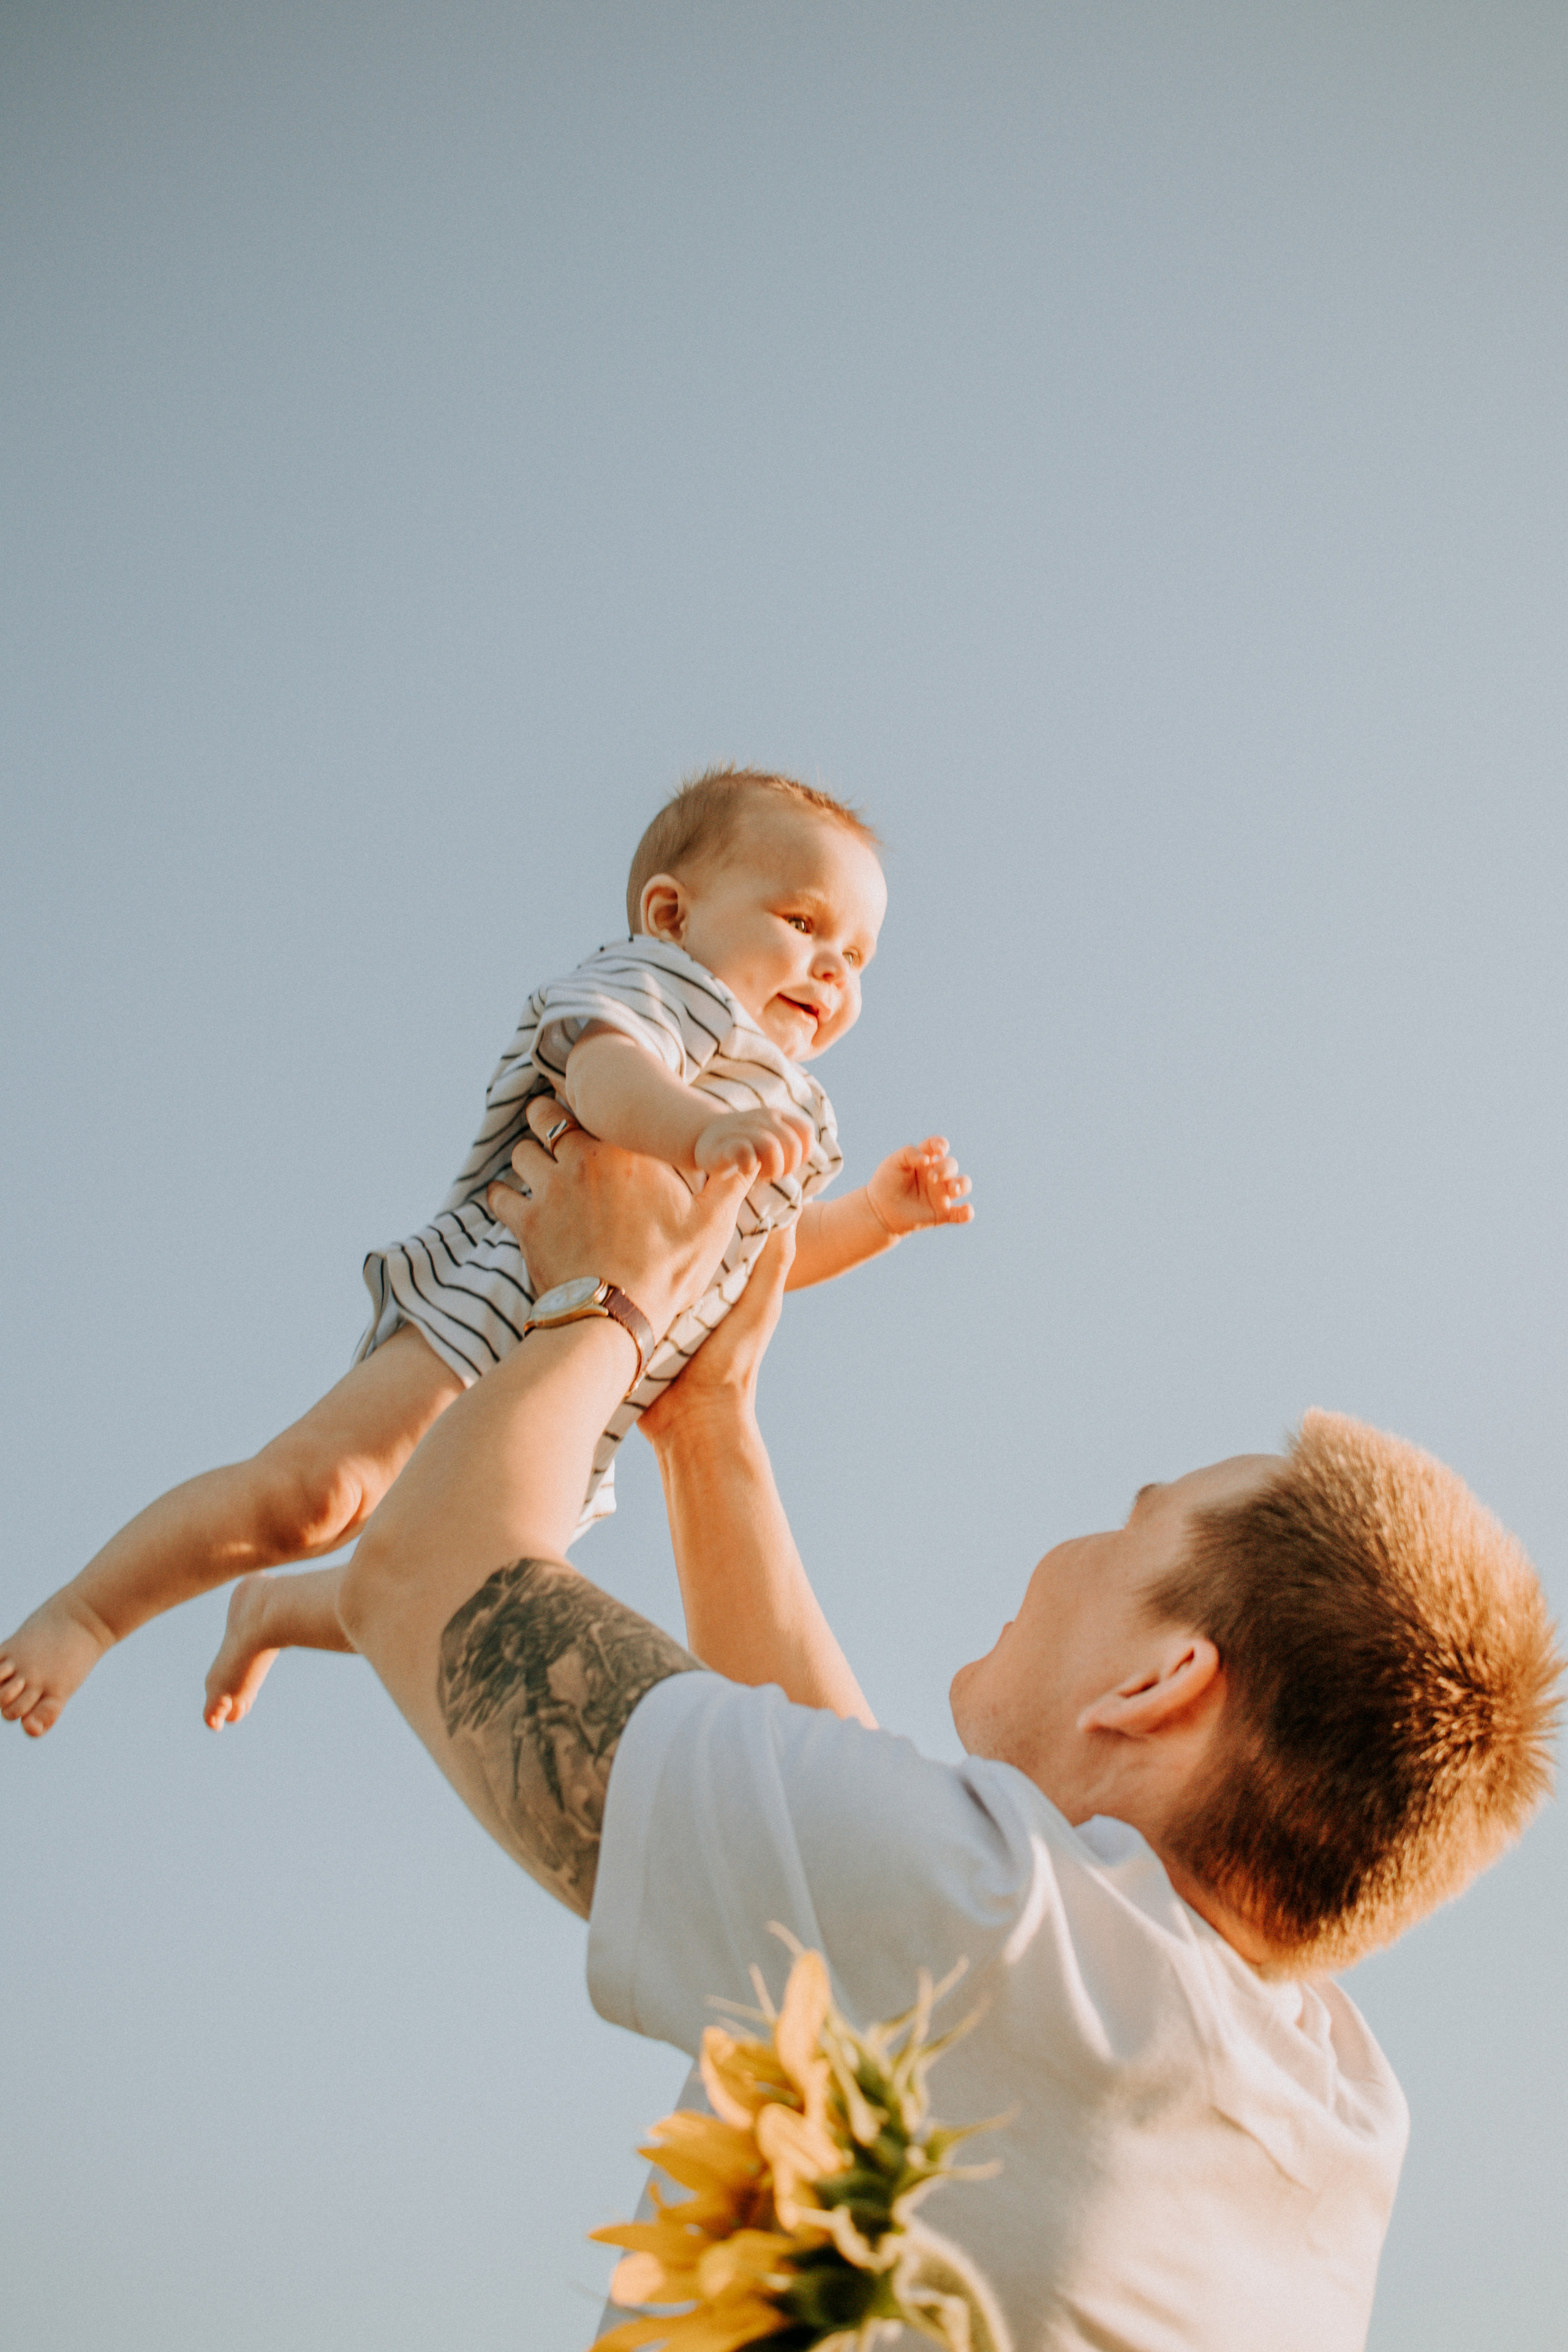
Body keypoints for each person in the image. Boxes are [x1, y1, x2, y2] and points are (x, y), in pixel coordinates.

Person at [334, 1100, 1559, 2352]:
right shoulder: (1331, 2124)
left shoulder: (996, 1944)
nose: (1068, 1545)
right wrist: (706, 1430)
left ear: (1159, 1683)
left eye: (1129, 1521)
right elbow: (882, 1901)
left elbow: (421, 1575)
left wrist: (610, 1287)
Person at [0, 767, 971, 1739]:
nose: (833, 970)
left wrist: (879, 1221)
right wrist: (692, 1134)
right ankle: (87, 1614)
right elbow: (602, 1077)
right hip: (492, 1304)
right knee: (319, 1494)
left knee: (471, 1593)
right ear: (671, 913)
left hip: (592, 1387)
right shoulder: (661, 985)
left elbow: (755, 1267)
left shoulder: (797, 1110)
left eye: (857, 956)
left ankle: (277, 1612)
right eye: (804, 923)